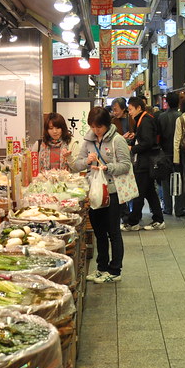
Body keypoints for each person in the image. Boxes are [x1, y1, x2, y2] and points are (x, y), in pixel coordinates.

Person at [71, 107, 132, 283]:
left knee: (113, 232)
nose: (96, 130)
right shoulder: (88, 140)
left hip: (112, 192)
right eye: (93, 126)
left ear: (107, 124)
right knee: (99, 232)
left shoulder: (117, 140)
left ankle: (115, 270)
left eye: (99, 127)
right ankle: (101, 267)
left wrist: (108, 167)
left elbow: (126, 165)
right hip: (94, 192)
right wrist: (87, 161)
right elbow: (78, 166)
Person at [123, 96, 165, 231]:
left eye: (130, 109)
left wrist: (132, 148)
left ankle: (133, 222)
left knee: (139, 193)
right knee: (150, 192)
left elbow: (147, 142)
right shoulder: (142, 119)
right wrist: (134, 137)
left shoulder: (145, 121)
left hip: (145, 163)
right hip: (144, 162)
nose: (129, 112)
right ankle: (159, 219)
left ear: (139, 108)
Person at [156, 91, 184, 217]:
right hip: (179, 152)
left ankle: (167, 208)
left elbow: (158, 136)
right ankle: (179, 208)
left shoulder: (161, 117)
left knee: (166, 181)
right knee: (179, 179)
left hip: (164, 152)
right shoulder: (181, 116)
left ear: (166, 102)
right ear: (178, 102)